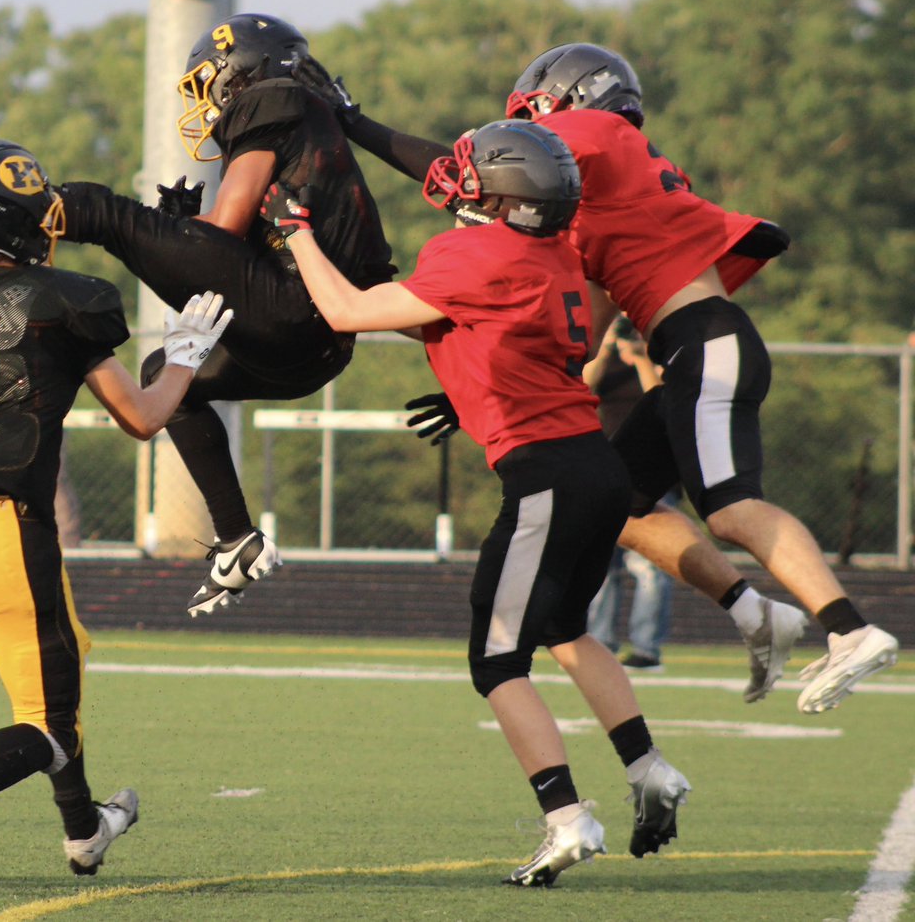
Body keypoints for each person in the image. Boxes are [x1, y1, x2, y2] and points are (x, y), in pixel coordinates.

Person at [309, 43, 896, 712]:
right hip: (689, 349)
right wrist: (469, 379)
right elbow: (576, 333)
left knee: (730, 506)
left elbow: (471, 163)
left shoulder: (600, 130)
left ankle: (849, 628)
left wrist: (357, 125)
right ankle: (755, 612)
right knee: (621, 505)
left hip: (706, 341)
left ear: (566, 99)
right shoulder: (605, 206)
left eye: (536, 121)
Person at [262, 120, 690, 887]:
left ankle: (565, 817)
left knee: (495, 659)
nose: (458, 178)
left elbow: (346, 312)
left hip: (546, 475)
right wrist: (466, 387)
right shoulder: (556, 252)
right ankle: (648, 766)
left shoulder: (472, 251)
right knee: (567, 629)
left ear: (504, 198)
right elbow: (505, 334)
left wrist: (294, 232)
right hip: (593, 462)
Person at [0, 17, 396, 617]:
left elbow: (225, 229)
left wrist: (169, 230)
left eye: (214, 80)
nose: (209, 97)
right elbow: (262, 238)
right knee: (166, 375)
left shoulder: (274, 103)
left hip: (294, 313)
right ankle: (236, 538)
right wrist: (175, 229)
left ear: (248, 72)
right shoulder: (312, 128)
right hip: (316, 347)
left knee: (105, 213)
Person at [0, 137, 233, 897]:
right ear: (22, 223)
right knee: (49, 725)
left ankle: (83, 830)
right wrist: (186, 357)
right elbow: (140, 416)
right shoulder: (65, 302)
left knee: (57, 680)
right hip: (7, 534)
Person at [584, 318, 675, 671]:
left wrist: (640, 358)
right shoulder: (604, 357)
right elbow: (585, 389)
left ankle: (646, 648)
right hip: (604, 469)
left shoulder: (659, 355)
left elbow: (660, 395)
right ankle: (601, 642)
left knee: (649, 568)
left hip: (651, 472)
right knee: (602, 566)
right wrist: (606, 346)